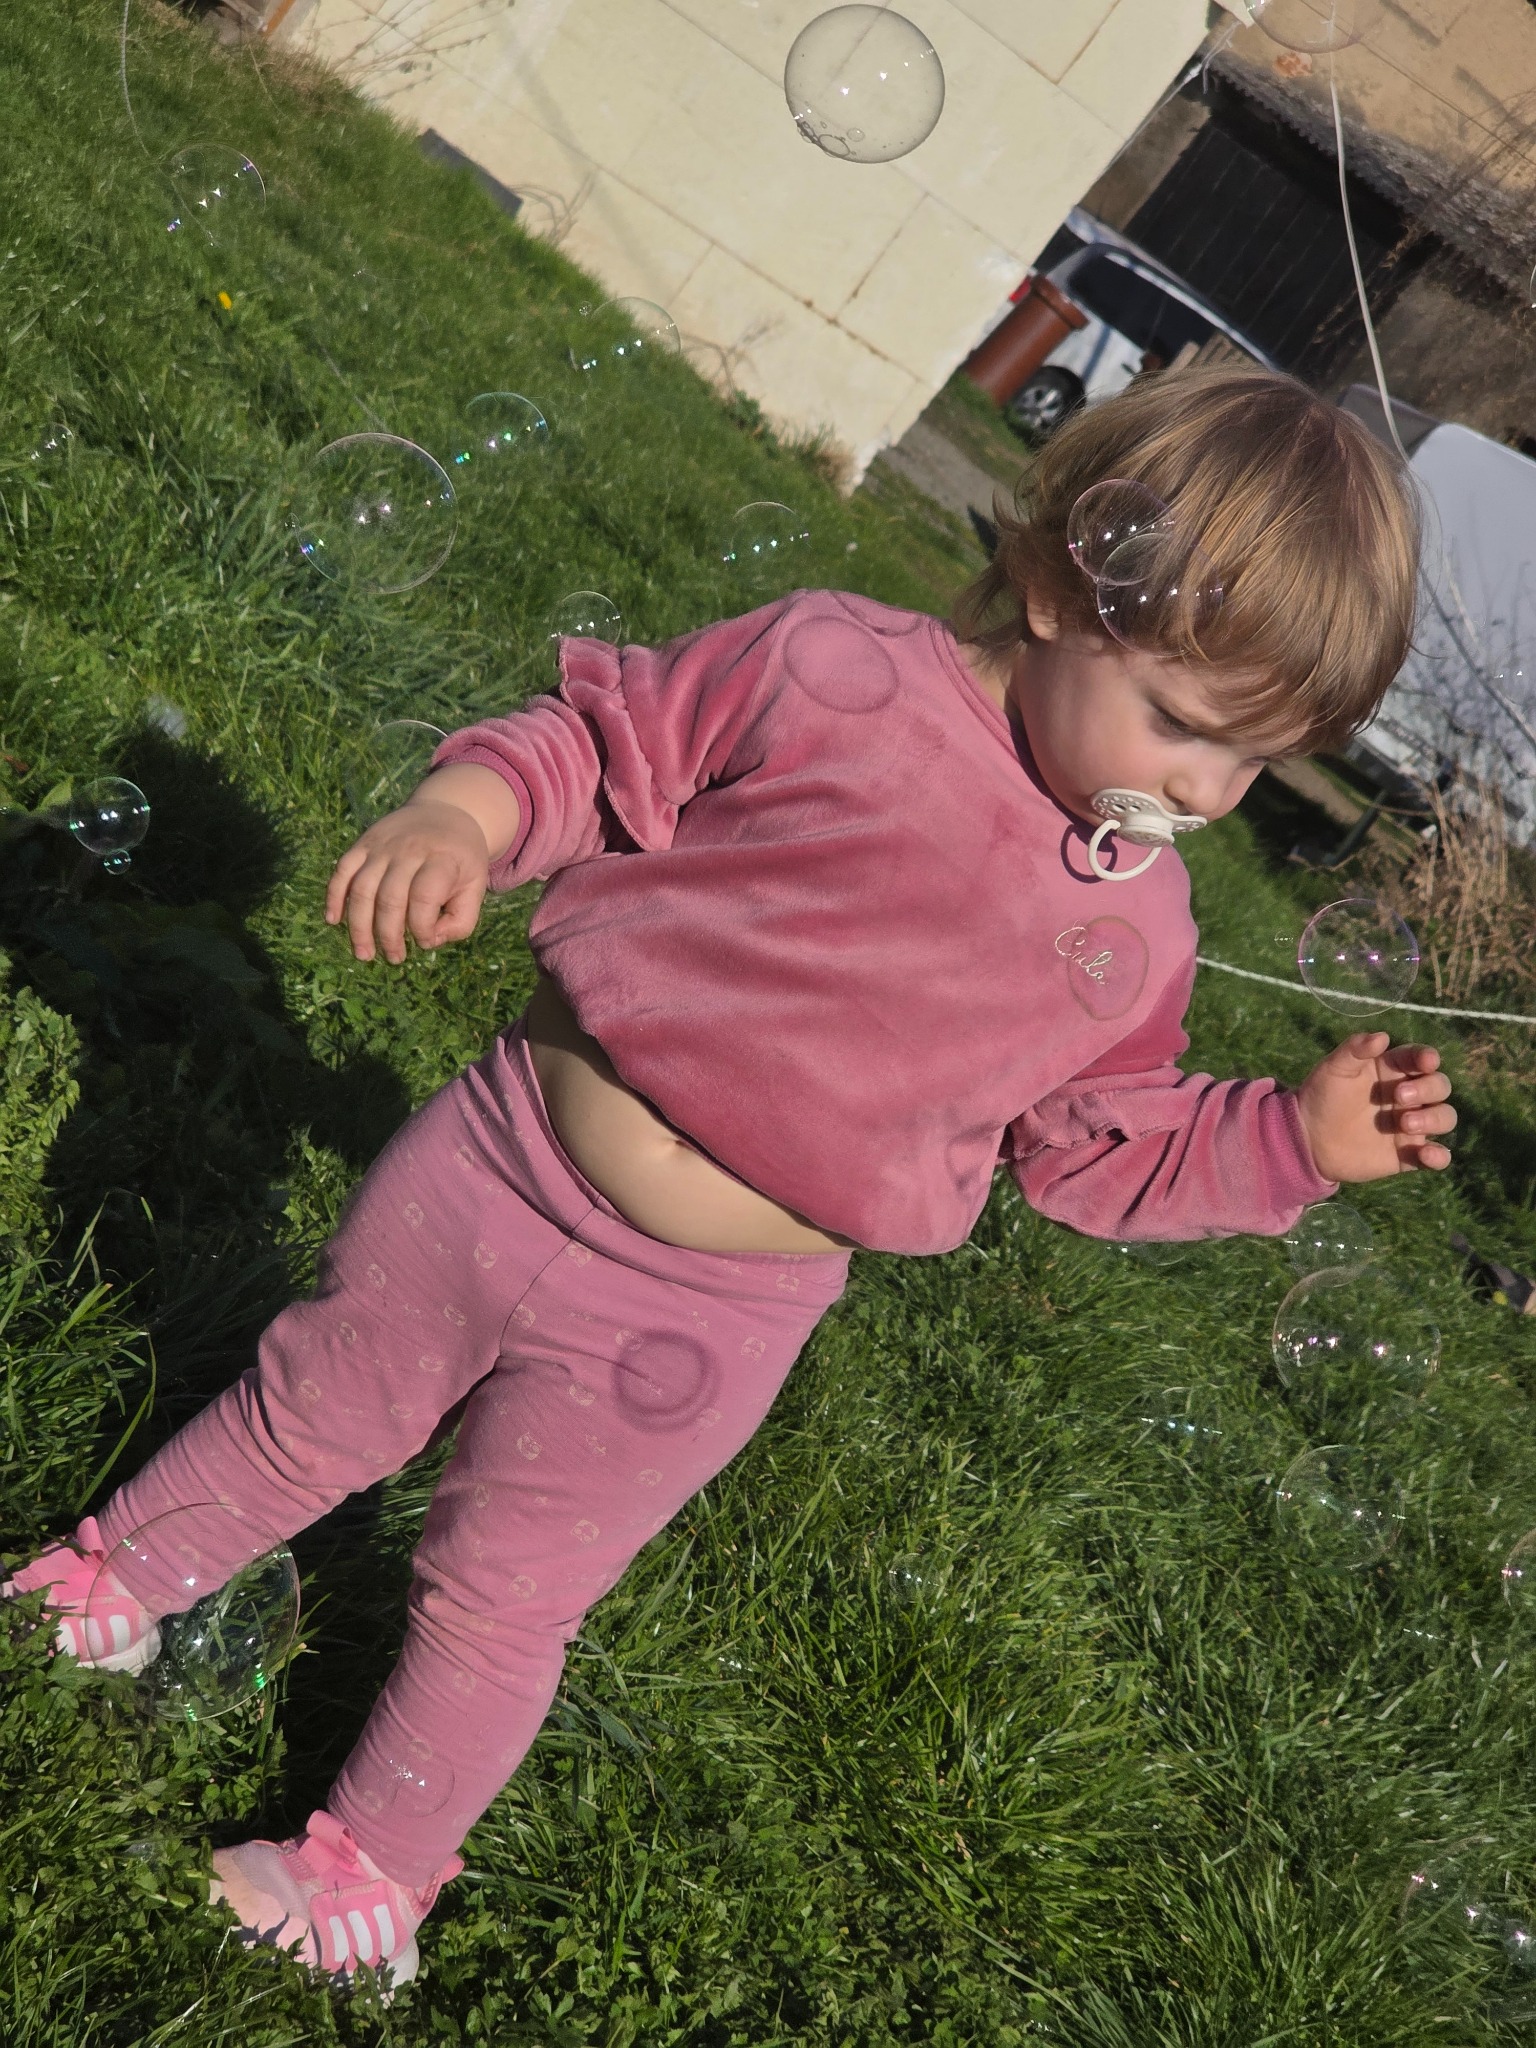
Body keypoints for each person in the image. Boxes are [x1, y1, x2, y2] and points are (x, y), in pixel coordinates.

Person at [2, 366, 1455, 1998]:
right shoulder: (829, 668)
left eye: (1248, 766)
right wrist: (462, 818)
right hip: (500, 1151)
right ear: (1056, 584)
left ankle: (371, 1873)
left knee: (503, 1588)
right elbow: (603, 745)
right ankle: (119, 1577)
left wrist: (1294, 1143)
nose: (1196, 792)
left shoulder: (1138, 938)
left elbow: (1098, 1155)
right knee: (311, 1393)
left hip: (706, 1312)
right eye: (1184, 725)